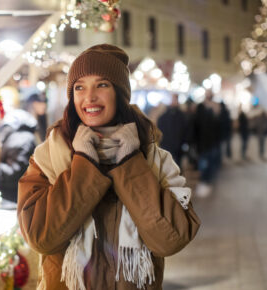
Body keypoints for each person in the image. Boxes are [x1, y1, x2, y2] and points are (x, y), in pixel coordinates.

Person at [17, 44, 200, 290]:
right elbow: (41, 238)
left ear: (121, 93)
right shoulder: (48, 156)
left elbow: (171, 239)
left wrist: (129, 163)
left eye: (102, 84)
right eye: (79, 87)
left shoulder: (153, 158)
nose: (89, 97)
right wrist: (84, 163)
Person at [0, 109, 37, 203]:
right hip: (22, 196)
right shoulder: (27, 137)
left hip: (14, 197)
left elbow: (14, 175)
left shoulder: (20, 139)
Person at [192, 90, 221, 197]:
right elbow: (196, 125)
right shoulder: (200, 108)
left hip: (213, 143)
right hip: (202, 143)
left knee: (211, 164)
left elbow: (219, 126)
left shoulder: (216, 108)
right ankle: (204, 182)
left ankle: (208, 182)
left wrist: (217, 112)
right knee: (203, 164)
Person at [157, 93, 187, 167]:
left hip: (178, 146)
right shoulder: (163, 116)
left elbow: (185, 130)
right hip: (167, 146)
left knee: (177, 165)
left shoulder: (182, 115)